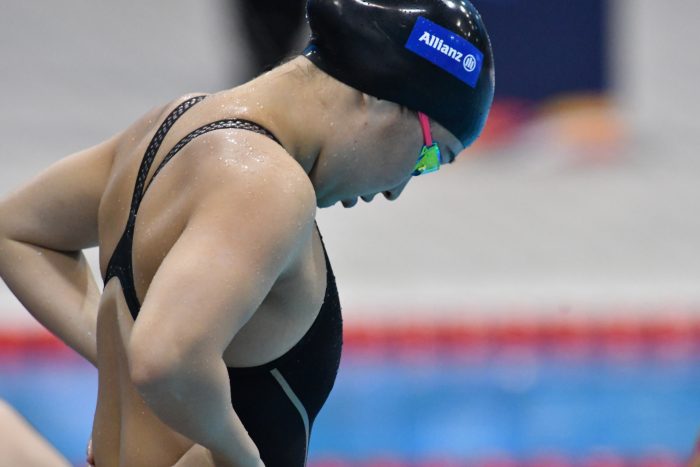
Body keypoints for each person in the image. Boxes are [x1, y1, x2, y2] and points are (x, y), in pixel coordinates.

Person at [0, 0, 494, 465]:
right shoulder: (267, 184)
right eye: (430, 156)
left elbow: (16, 232)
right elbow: (166, 359)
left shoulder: (170, 123)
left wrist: (118, 359)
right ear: (384, 99)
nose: (398, 190)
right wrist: (241, 456)